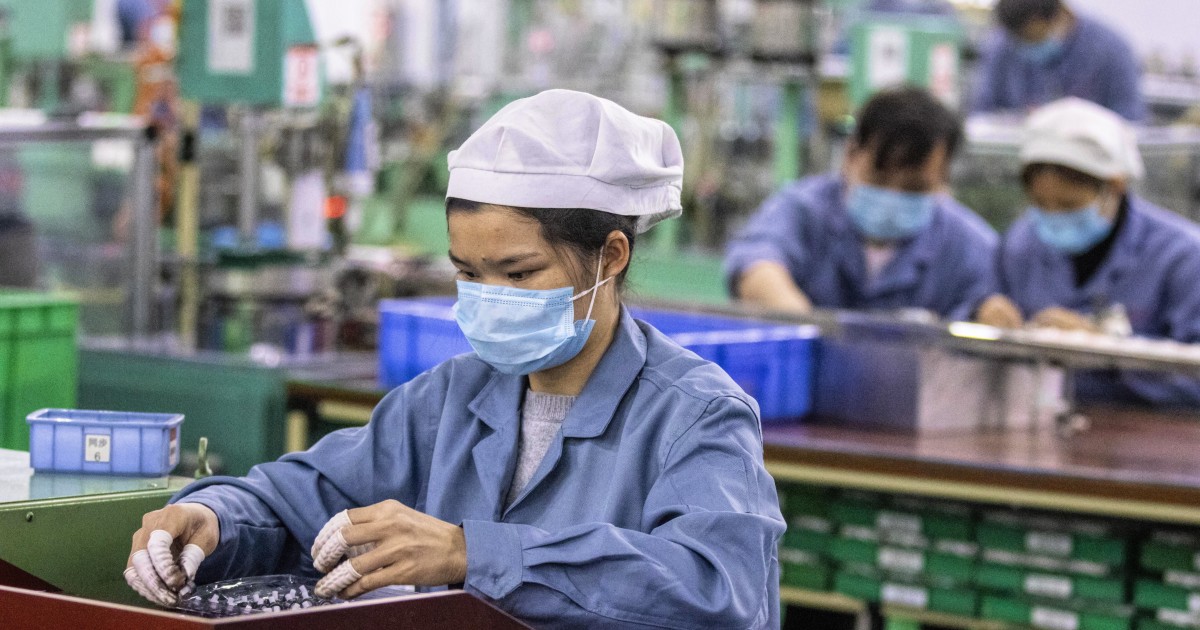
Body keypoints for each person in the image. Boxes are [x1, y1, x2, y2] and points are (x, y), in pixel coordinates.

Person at [123, 90, 786, 628]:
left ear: (610, 256)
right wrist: (215, 518)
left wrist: (472, 553)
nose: (490, 297)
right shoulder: (451, 400)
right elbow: (300, 502)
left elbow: (719, 590)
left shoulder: (695, 415)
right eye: (468, 273)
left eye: (519, 274)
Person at [976, 98, 1200, 407]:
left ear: (1115, 187)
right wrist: (985, 315)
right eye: (1040, 204)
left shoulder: (1182, 257)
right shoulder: (1019, 246)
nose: (1053, 217)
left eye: (1069, 205)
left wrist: (1109, 351)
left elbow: (1194, 382)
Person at [725, 86, 997, 321]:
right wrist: (808, 329)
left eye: (914, 187)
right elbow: (756, 264)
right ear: (851, 154)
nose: (893, 196)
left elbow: (995, 306)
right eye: (879, 179)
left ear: (944, 178)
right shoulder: (802, 211)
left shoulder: (971, 247)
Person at [970, 0, 1144, 121]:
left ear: (1062, 14)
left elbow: (1131, 119)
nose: (1028, 47)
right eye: (1020, 40)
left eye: (1035, 39)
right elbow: (981, 114)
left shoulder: (1110, 50)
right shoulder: (1001, 47)